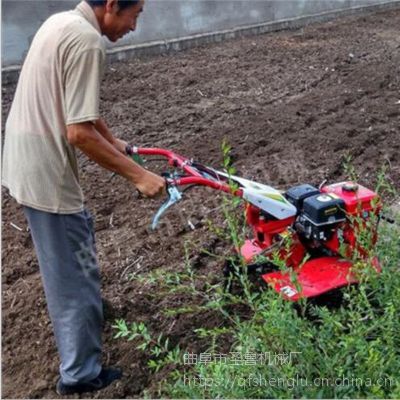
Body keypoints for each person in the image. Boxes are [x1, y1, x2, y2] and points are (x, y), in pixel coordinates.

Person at [2, 0, 165, 395]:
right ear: (111, 5)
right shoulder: (89, 42)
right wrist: (140, 176)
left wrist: (116, 143)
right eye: (135, 13)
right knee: (73, 274)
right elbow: (78, 133)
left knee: (73, 255)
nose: (134, 25)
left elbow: (78, 107)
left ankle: (90, 319)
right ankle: (79, 376)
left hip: (22, 156)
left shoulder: (61, 22)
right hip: (46, 170)